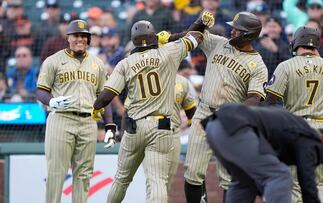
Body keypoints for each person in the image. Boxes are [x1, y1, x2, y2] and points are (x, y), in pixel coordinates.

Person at [91, 20, 204, 203]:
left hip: (135, 126)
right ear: (154, 36)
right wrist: (174, 36)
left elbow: (106, 96)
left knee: (121, 180)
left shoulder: (124, 63)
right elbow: (196, 36)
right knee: (157, 181)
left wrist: (95, 108)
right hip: (162, 126)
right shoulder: (169, 52)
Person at [183, 11, 268, 203]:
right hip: (204, 111)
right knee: (192, 171)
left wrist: (232, 114)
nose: (232, 31)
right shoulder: (219, 43)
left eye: (237, 30)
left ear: (248, 34)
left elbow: (255, 97)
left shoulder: (258, 65)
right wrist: (200, 22)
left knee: (229, 179)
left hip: (230, 121)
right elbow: (192, 36)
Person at [36, 19, 115, 203]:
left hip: (88, 122)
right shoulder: (53, 61)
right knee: (56, 172)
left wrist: (110, 125)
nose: (80, 39)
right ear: (68, 38)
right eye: (76, 35)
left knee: (84, 174)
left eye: (84, 36)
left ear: (88, 39)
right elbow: (40, 91)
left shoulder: (97, 64)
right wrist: (52, 102)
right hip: (61, 120)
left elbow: (104, 97)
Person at [265, 26, 323, 202]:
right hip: (322, 129)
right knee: (319, 183)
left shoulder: (285, 66)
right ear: (316, 46)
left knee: (295, 182)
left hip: (297, 128)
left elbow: (271, 99)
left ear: (295, 44)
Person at [203, 103, 323, 203]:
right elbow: (306, 176)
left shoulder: (292, 130)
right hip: (236, 127)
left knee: (245, 183)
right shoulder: (311, 137)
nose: (318, 158)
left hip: (215, 126)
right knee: (280, 175)